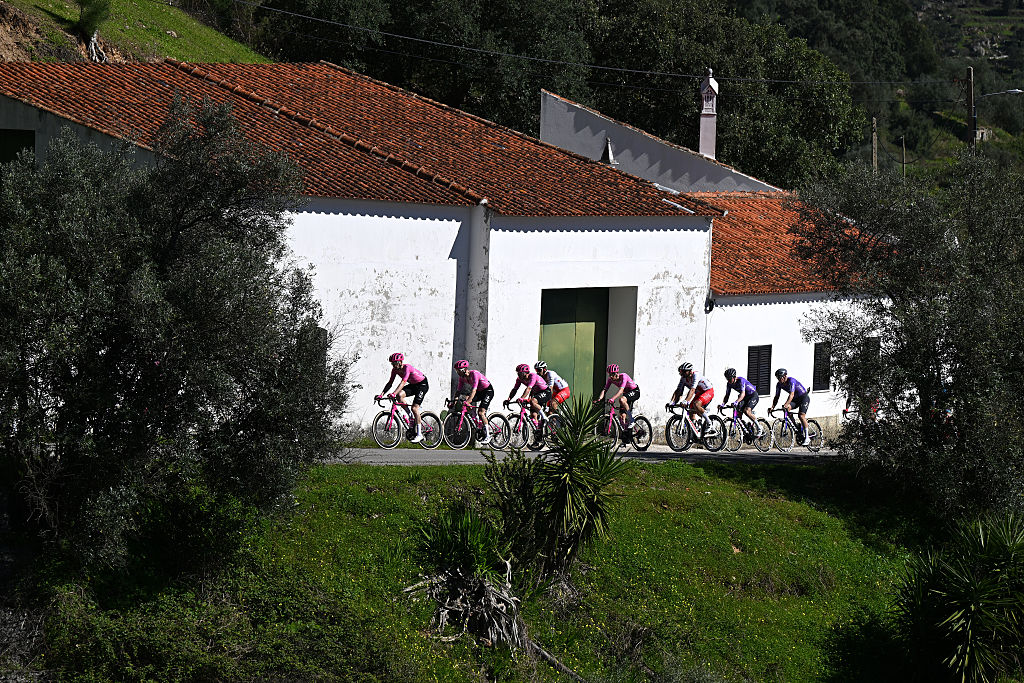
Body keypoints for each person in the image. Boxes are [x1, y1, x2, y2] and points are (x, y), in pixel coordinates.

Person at [376, 352, 428, 443]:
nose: (394, 365)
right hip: (413, 385)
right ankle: (410, 416)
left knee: (414, 408)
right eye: (392, 363)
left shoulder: (407, 367)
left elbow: (403, 382)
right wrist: (381, 394)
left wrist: (393, 393)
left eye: (395, 363)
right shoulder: (394, 370)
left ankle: (419, 435)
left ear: (400, 362)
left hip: (422, 385)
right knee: (399, 396)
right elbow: (390, 383)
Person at [504, 363, 552, 443]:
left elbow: (529, 388)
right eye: (518, 373)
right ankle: (538, 434)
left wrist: (522, 398)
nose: (519, 374)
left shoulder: (532, 376)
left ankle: (545, 417)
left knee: (533, 401)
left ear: (526, 372)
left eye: (520, 373)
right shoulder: (519, 379)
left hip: (545, 392)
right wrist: (508, 399)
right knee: (533, 415)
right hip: (537, 394)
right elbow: (514, 389)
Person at [453, 360, 494, 444]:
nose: (457, 372)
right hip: (479, 391)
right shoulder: (462, 378)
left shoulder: (474, 374)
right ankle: (476, 419)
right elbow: (458, 390)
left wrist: (469, 401)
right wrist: (455, 400)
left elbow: (474, 389)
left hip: (487, 391)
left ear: (464, 370)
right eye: (456, 370)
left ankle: (488, 436)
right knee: (466, 399)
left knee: (481, 412)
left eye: (458, 371)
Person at [670, 362, 715, 432]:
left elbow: (692, 390)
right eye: (682, 371)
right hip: (699, 393)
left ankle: (709, 424)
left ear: (690, 371)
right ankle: (695, 428)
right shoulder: (683, 378)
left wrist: (686, 401)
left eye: (684, 371)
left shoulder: (695, 375)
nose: (682, 373)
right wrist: (672, 402)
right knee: (690, 409)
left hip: (708, 391)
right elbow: (678, 391)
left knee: (696, 404)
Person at [596, 363, 640, 434]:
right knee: (622, 416)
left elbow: (621, 391)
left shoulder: (624, 376)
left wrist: (613, 398)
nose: (611, 376)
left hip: (634, 391)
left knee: (621, 400)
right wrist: (599, 399)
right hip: (626, 394)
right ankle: (626, 438)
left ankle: (631, 420)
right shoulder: (610, 380)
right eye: (610, 374)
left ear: (617, 373)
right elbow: (604, 390)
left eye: (613, 374)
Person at [720, 368, 764, 438]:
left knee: (747, 411)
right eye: (727, 379)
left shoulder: (741, 380)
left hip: (753, 395)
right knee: (738, 414)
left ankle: (759, 428)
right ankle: (745, 431)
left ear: (734, 377)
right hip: (745, 397)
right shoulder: (729, 384)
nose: (728, 380)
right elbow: (727, 395)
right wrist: (723, 404)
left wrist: (736, 401)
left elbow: (742, 394)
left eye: (729, 378)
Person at [771, 368, 810, 445]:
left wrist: (786, 404)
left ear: (785, 376)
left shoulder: (791, 381)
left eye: (780, 377)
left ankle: (807, 437)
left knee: (801, 416)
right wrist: (772, 407)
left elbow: (791, 395)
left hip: (803, 397)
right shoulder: (779, 385)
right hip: (796, 399)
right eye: (777, 378)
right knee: (787, 409)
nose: (779, 379)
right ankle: (796, 426)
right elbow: (776, 397)